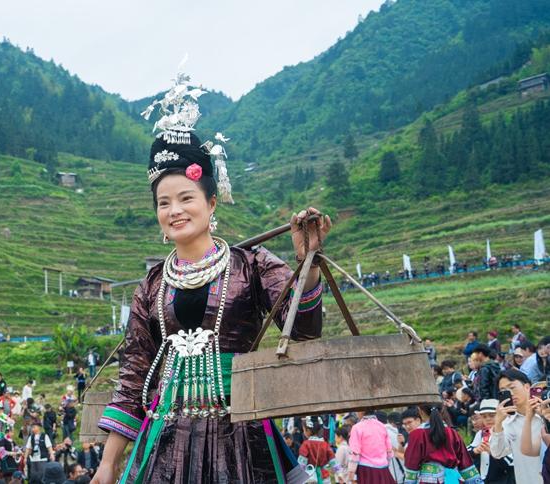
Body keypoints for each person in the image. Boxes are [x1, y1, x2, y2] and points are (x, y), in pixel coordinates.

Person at [91, 72, 328, 484]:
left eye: (186, 198)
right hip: (166, 443)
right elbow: (134, 375)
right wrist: (109, 464)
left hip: (244, 434)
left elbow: (305, 329)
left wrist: (307, 266)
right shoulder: (151, 286)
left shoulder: (252, 265)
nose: (174, 210)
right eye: (164, 203)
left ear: (211, 202)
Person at [490, 368, 545, 483]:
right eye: (503, 390)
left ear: (527, 387)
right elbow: (497, 452)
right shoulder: (507, 422)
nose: (510, 393)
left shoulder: (545, 412)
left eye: (512, 387)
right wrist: (498, 423)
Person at [402, 404, 480, 484]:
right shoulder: (452, 433)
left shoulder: (417, 434)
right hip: (452, 480)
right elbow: (465, 462)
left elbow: (411, 465)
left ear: (420, 411)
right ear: (442, 410)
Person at [467, 399, 515, 484]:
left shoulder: (508, 431)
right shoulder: (481, 433)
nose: (488, 419)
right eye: (484, 417)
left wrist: (495, 453)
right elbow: (467, 450)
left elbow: (512, 463)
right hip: (484, 479)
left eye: (492, 415)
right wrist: (476, 450)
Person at [347, 411, 395, 483]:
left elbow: (355, 452)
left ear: (361, 412)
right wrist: (386, 464)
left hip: (366, 470)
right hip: (383, 469)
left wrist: (351, 474)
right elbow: (389, 450)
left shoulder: (357, 427)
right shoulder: (382, 426)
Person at [296, 416, 337, 483]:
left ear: (308, 431)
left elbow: (302, 464)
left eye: (304, 430)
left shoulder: (306, 445)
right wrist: (338, 470)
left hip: (310, 477)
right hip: (324, 476)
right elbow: (333, 460)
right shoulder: (325, 444)